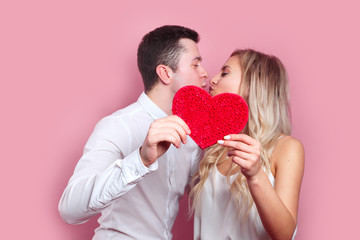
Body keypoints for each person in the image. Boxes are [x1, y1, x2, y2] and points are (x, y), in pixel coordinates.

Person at [58, 25, 208, 240]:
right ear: (165, 73)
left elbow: (207, 199)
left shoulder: (191, 136)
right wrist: (140, 159)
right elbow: (70, 209)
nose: (204, 73)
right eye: (196, 64)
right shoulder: (117, 126)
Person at [189, 49, 304, 240]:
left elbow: (284, 234)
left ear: (253, 85)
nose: (213, 79)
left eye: (225, 73)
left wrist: (256, 174)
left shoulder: (287, 148)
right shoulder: (214, 148)